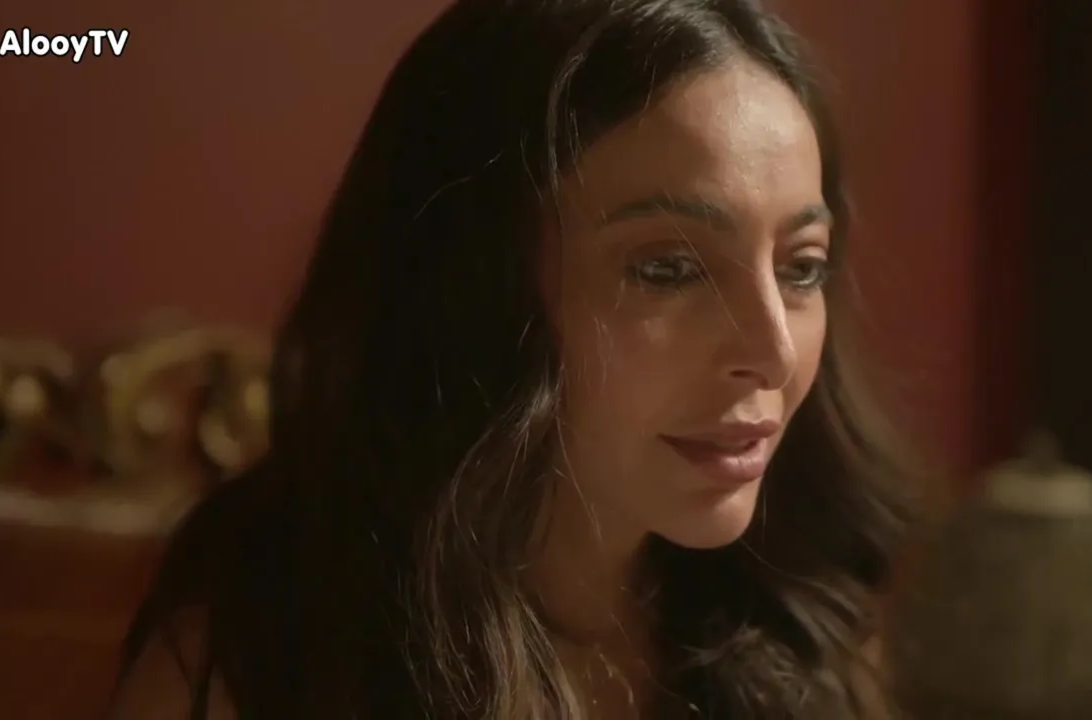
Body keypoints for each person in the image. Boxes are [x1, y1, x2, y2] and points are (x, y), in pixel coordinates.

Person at [109, 0, 911, 717]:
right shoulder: (269, 664)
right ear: (470, 286)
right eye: (668, 269)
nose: (773, 353)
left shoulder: (809, 629)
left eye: (800, 268)